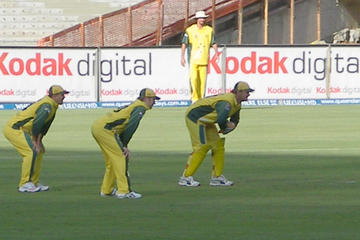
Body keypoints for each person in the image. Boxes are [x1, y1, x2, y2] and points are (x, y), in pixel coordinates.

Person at [178, 81, 254, 187]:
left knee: (218, 146)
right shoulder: (227, 102)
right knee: (201, 147)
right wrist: (224, 128)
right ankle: (185, 177)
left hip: (207, 121)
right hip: (195, 117)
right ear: (238, 92)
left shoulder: (237, 103)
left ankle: (217, 177)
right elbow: (221, 119)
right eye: (247, 92)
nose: (248, 94)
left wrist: (232, 126)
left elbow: (235, 119)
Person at [91, 88, 160, 199]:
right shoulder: (140, 108)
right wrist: (124, 145)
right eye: (153, 99)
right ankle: (124, 191)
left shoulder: (135, 105)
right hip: (107, 129)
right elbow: (131, 127)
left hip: (98, 126)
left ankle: (107, 189)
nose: (154, 103)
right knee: (122, 156)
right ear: (147, 99)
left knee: (112, 160)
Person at [3, 85, 69, 193]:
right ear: (55, 95)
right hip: (15, 128)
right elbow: (37, 124)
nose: (64, 97)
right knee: (31, 151)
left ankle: (34, 182)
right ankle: (24, 184)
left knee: (40, 151)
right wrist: (35, 141)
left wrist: (39, 141)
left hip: (24, 130)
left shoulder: (53, 105)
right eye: (62, 95)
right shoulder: (47, 105)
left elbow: (44, 127)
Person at [181, 10, 219, 103]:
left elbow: (213, 42)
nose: (202, 20)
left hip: (204, 59)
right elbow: (184, 43)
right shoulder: (190, 30)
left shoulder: (209, 30)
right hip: (193, 59)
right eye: (201, 18)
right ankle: (194, 98)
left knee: (202, 81)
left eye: (204, 18)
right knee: (194, 79)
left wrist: (216, 53)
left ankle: (201, 98)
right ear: (197, 19)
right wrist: (182, 56)